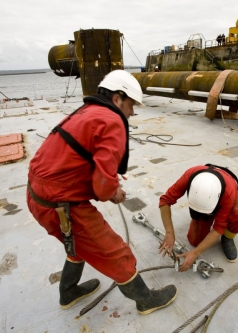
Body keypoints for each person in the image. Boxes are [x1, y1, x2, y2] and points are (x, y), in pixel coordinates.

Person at [26, 70, 177, 314]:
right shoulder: (112, 119)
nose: (132, 112)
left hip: (37, 195)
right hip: (60, 203)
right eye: (131, 105)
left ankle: (68, 292)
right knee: (115, 251)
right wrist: (113, 190)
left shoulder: (86, 112)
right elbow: (104, 188)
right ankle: (145, 300)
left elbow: (76, 158)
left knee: (78, 242)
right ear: (117, 98)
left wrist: (106, 178)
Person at [158, 164, 238, 272]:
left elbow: (219, 227)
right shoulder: (189, 175)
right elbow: (165, 200)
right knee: (195, 242)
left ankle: (228, 237)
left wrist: (195, 253)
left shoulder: (228, 192)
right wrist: (169, 232)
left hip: (228, 185)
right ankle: (199, 219)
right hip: (210, 195)